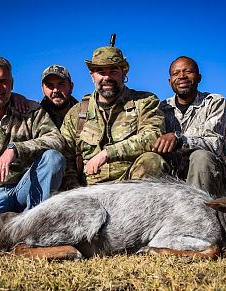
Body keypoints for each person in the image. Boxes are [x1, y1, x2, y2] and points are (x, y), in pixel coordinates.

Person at [0, 55, 66, 247]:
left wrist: (16, 149)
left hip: (23, 189)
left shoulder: (31, 110)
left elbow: (56, 139)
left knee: (53, 158)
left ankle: (33, 226)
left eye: (3, 81)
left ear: (11, 84)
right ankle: (7, 223)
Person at [61, 43, 169, 189]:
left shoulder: (144, 102)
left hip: (132, 185)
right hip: (90, 189)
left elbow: (153, 136)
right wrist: (74, 191)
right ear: (92, 76)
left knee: (152, 161)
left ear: (124, 74)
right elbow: (65, 156)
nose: (107, 77)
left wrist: (107, 153)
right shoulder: (77, 113)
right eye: (100, 72)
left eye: (113, 71)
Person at [153, 56, 226, 197]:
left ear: (199, 77)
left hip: (210, 174)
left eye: (188, 71)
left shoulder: (214, 102)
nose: (181, 76)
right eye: (175, 73)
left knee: (200, 157)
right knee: (150, 159)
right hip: (174, 174)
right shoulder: (161, 108)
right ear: (169, 81)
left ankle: (200, 214)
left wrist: (179, 139)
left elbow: (214, 144)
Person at [12, 64, 77, 129]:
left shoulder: (83, 112)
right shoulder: (33, 113)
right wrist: (12, 96)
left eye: (60, 84)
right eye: (49, 85)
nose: (55, 90)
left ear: (71, 87)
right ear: (42, 90)